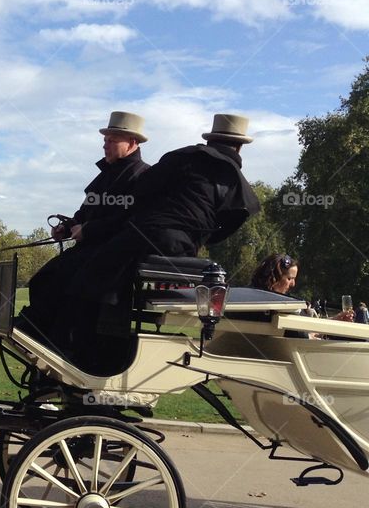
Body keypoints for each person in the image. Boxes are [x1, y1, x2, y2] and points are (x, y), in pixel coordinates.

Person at [26, 114, 262, 372]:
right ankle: (62, 340)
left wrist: (98, 228)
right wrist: (196, 238)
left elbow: (141, 195)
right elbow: (224, 228)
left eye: (112, 139)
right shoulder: (237, 183)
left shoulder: (184, 157)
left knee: (88, 276)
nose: (105, 144)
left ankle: (74, 348)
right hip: (182, 247)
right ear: (240, 147)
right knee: (80, 274)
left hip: (148, 233)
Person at [19, 111, 151, 347]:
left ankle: (49, 338)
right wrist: (66, 227)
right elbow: (84, 213)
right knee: (42, 279)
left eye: (112, 141)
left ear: (132, 142)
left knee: (65, 284)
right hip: (87, 252)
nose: (105, 146)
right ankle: (39, 332)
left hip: (111, 257)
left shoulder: (143, 176)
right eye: (105, 140)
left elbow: (129, 220)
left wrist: (89, 230)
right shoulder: (105, 176)